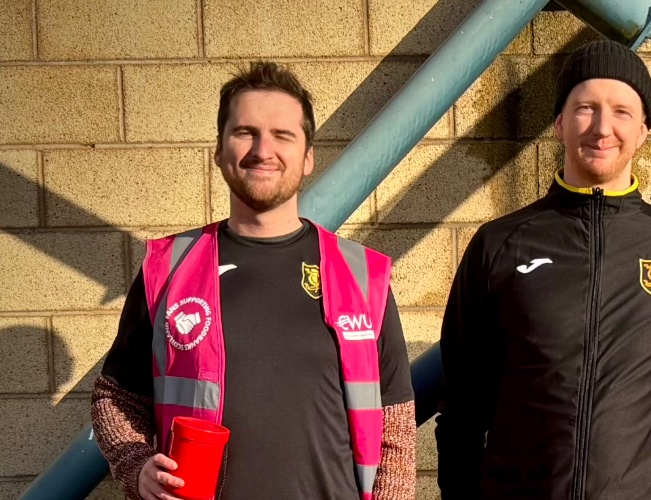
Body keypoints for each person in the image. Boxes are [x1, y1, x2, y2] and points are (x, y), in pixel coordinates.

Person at [91, 61, 416, 500]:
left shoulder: (362, 274)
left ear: (307, 159)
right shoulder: (167, 269)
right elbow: (116, 398)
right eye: (245, 132)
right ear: (219, 150)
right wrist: (135, 466)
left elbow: (395, 429)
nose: (263, 149)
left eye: (283, 135)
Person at [434, 41, 651, 499]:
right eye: (585, 108)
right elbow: (461, 409)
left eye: (621, 112)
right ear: (559, 123)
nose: (601, 127)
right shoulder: (499, 245)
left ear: (644, 131)